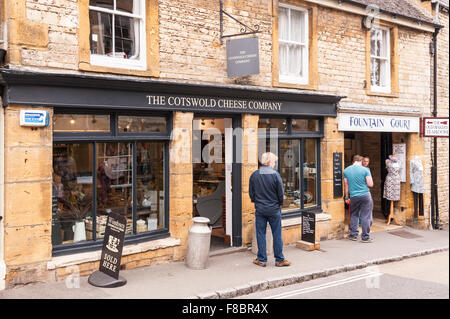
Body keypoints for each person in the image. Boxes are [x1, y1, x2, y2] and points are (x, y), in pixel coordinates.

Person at [249, 152, 291, 267]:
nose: (274, 164)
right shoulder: (275, 175)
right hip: (274, 209)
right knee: (277, 234)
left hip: (260, 209)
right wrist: (280, 204)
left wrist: (256, 202)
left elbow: (251, 193)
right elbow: (280, 194)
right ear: (268, 162)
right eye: (274, 162)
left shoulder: (254, 175)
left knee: (260, 234)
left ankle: (261, 259)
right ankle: (279, 259)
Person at [343, 154, 374, 243]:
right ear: (360, 161)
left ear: (354, 161)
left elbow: (346, 185)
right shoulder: (365, 170)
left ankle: (353, 235)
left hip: (353, 196)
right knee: (366, 216)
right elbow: (370, 184)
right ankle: (365, 237)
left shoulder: (346, 170)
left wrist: (346, 197)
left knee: (354, 215)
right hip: (365, 195)